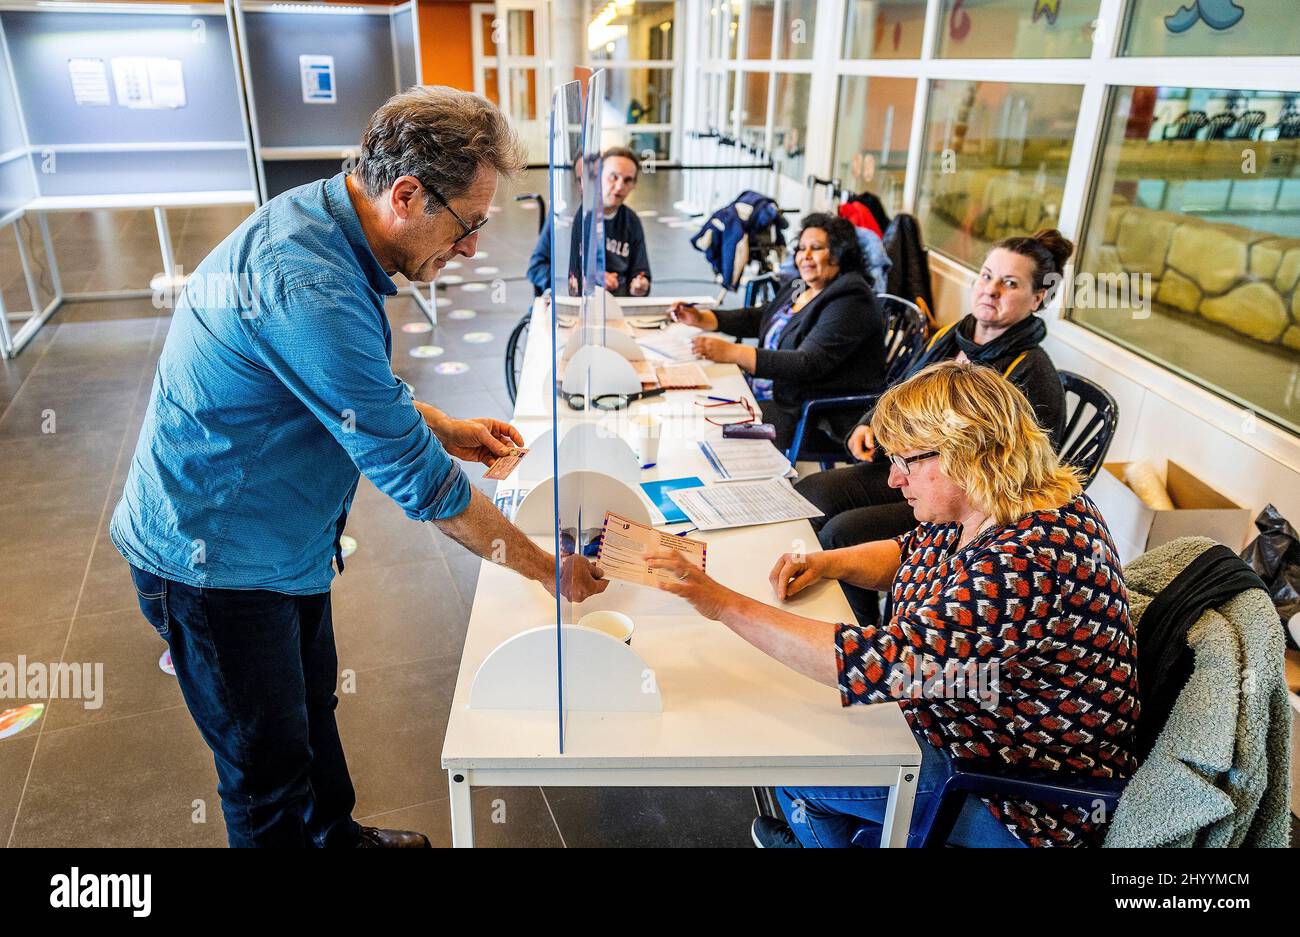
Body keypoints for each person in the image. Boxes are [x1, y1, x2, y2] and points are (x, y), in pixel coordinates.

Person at [109, 86, 608, 849]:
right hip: (216, 562)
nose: (472, 246)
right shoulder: (305, 281)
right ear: (405, 194)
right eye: (468, 223)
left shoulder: (329, 220)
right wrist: (546, 567)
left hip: (285, 545)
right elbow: (422, 484)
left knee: (312, 707)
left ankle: (337, 837)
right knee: (265, 773)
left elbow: (345, 387)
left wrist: (443, 426)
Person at [646, 361, 1139, 848]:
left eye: (906, 461)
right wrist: (829, 562)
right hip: (965, 722)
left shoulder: (1028, 560)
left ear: (967, 454)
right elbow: (911, 552)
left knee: (799, 767)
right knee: (807, 730)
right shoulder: (992, 500)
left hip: (1017, 796)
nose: (893, 480)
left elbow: (875, 667)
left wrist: (721, 604)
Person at [795, 229, 1073, 624]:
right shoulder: (949, 336)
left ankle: (862, 627)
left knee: (843, 532)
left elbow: (1020, 481)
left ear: (1037, 298)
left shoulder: (1033, 373)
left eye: (1010, 283)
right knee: (812, 491)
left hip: (968, 493)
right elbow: (898, 391)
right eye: (986, 275)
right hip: (917, 467)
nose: (990, 290)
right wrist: (867, 423)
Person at [669, 214, 885, 452]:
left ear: (838, 254)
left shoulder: (851, 300)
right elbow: (762, 317)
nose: (805, 256)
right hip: (778, 395)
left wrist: (732, 352)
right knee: (695, 406)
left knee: (712, 431)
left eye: (817, 248)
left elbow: (808, 363)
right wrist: (704, 318)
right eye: (801, 248)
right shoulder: (802, 286)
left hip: (811, 412)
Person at [526, 146, 652, 297]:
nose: (619, 187)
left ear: (634, 185)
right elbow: (536, 268)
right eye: (613, 177)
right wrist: (582, 280)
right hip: (572, 302)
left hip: (616, 306)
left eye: (627, 180)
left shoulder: (632, 221)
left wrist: (640, 286)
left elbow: (641, 272)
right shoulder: (566, 217)